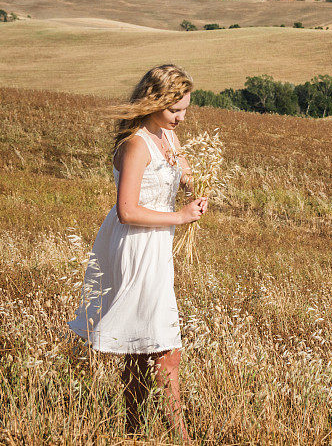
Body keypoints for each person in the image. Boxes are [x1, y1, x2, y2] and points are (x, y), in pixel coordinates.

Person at [68, 64, 207, 441]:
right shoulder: (135, 144)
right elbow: (126, 210)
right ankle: (181, 438)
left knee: (139, 346)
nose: (180, 118)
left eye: (185, 111)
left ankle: (133, 431)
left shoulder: (167, 136)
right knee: (166, 350)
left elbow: (185, 173)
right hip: (135, 245)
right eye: (174, 110)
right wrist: (180, 216)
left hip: (157, 245)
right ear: (153, 101)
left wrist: (201, 186)